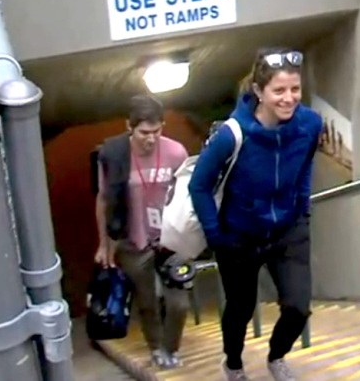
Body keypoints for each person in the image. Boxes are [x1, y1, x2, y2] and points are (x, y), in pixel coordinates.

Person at [189, 49, 322, 381]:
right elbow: (199, 186)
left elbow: (305, 165)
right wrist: (215, 236)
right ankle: (232, 362)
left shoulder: (310, 124)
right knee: (240, 309)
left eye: (295, 89)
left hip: (288, 229)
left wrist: (302, 208)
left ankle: (277, 356)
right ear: (259, 92)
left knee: (297, 306)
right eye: (279, 91)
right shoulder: (231, 135)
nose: (288, 98)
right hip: (239, 237)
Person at [94, 94, 191, 369]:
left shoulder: (176, 153)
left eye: (157, 131)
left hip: (171, 240)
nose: (150, 138)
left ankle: (171, 348)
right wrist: (104, 244)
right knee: (147, 301)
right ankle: (157, 348)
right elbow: (103, 200)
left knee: (178, 303)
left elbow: (188, 196)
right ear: (130, 127)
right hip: (132, 239)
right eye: (144, 132)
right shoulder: (114, 155)